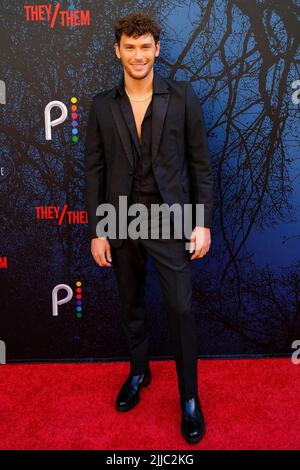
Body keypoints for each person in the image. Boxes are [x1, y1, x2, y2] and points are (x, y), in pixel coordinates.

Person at [84, 12, 214, 444]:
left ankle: (189, 399)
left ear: (156, 49)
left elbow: (200, 166)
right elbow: (94, 170)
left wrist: (201, 222)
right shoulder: (103, 104)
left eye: (145, 47)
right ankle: (139, 371)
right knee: (131, 306)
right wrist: (99, 229)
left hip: (171, 220)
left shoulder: (181, 98)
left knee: (180, 310)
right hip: (120, 220)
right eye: (130, 47)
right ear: (118, 50)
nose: (138, 55)